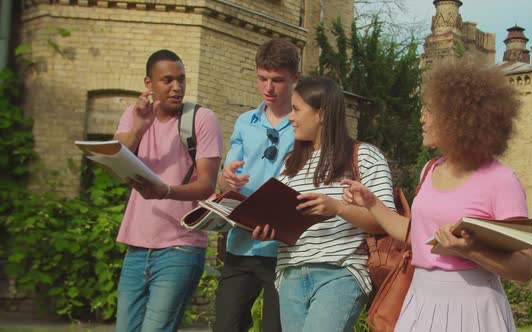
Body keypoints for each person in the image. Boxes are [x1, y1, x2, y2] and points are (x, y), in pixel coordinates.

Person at [341, 58, 532, 332]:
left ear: (460, 118)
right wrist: (372, 203)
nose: (422, 118)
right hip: (420, 302)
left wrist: (471, 250)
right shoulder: (430, 169)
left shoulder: (502, 180)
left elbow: (525, 268)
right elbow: (415, 234)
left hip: (473, 308)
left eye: (430, 110)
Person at [253, 76, 395, 332]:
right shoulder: (289, 164)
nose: (290, 118)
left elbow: (387, 223)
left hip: (340, 272)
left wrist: (338, 208)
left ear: (321, 114)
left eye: (296, 109)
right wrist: (265, 228)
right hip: (291, 274)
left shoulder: (363, 156)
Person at [113, 49, 223, 332]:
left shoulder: (201, 119)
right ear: (149, 84)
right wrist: (139, 127)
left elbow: (207, 184)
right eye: (167, 80)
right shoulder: (133, 115)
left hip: (180, 247)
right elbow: (115, 164)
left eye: (182, 80)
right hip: (136, 247)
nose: (177, 87)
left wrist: (165, 191)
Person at [213, 38, 300, 332]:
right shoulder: (243, 123)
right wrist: (228, 177)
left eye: (277, 80)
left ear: (295, 79)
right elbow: (226, 178)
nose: (268, 88)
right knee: (225, 325)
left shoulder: (307, 126)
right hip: (242, 244)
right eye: (262, 78)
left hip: (284, 251)